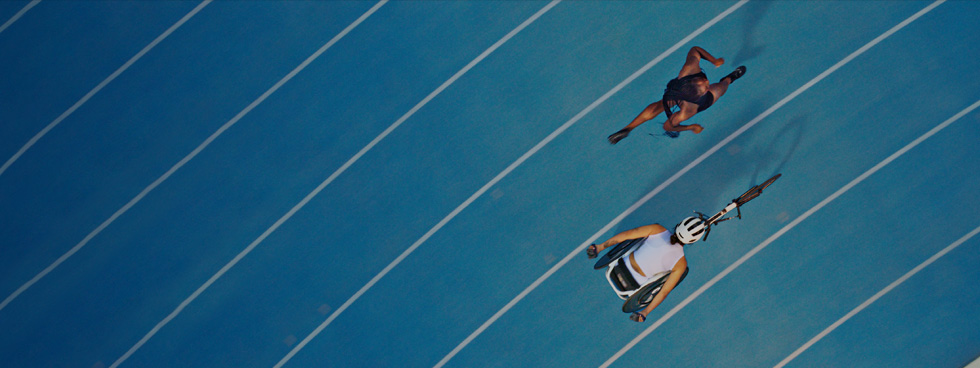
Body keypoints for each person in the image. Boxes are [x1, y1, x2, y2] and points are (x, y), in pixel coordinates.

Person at [608, 46, 746, 143]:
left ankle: (629, 127)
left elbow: (695, 49)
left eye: (703, 80)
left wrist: (714, 60)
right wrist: (691, 127)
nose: (707, 81)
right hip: (692, 101)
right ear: (699, 96)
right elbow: (668, 126)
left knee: (660, 105)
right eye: (705, 87)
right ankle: (730, 78)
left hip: (677, 91)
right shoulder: (689, 110)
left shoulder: (689, 69)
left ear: (692, 79)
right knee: (721, 88)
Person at [587, 217, 706, 322]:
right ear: (692, 241)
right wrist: (644, 312)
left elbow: (626, 235)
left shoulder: (657, 229)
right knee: (667, 276)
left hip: (616, 268)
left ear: (679, 224)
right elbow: (664, 292)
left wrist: (599, 247)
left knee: (634, 236)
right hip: (630, 288)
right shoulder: (681, 264)